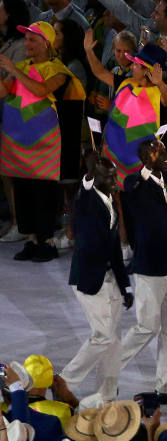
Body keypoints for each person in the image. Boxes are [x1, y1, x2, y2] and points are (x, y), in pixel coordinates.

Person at [0, 20, 85, 262]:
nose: (27, 44)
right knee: (23, 191)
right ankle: (31, 239)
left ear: (46, 44)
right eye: (26, 39)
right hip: (19, 141)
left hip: (45, 145)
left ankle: (46, 240)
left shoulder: (58, 70)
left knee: (44, 193)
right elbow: (4, 92)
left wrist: (14, 71)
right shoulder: (22, 66)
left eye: (32, 40)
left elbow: (41, 90)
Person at [120, 138, 167, 407]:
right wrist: (146, 168)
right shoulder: (134, 182)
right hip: (149, 265)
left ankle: (166, 387)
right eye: (159, 150)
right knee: (147, 326)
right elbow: (131, 191)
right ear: (147, 156)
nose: (166, 152)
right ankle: (109, 369)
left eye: (164, 148)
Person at [61, 152, 133, 406]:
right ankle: (65, 381)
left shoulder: (110, 201)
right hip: (88, 279)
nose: (115, 181)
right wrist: (90, 174)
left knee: (113, 340)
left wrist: (125, 286)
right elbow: (85, 186)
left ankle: (107, 393)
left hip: (111, 279)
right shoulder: (86, 199)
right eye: (109, 177)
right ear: (95, 178)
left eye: (115, 176)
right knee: (102, 334)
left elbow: (114, 249)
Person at [102, 42, 167, 188]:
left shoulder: (160, 91)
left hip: (145, 161)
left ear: (146, 70)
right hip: (115, 156)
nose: (131, 66)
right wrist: (89, 51)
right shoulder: (127, 84)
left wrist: (160, 82)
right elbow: (100, 72)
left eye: (136, 64)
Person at [0, 0, 30, 244]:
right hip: (6, 115)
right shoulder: (9, 42)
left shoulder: (20, 46)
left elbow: (9, 88)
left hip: (15, 116)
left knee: (13, 171)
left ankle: (20, 222)